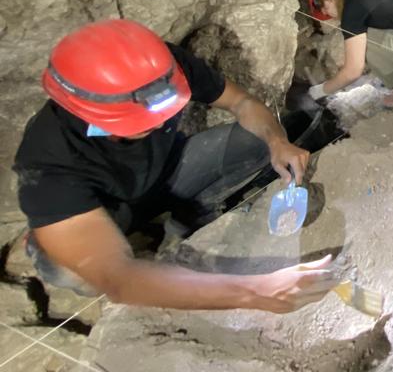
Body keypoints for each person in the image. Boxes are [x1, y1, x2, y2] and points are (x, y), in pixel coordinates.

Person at [13, 19, 339, 312]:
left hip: (165, 174)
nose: (161, 120)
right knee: (71, 269)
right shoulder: (46, 166)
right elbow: (120, 280)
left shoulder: (159, 69)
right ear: (96, 117)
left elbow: (242, 103)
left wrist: (277, 142)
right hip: (103, 214)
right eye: (144, 121)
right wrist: (254, 291)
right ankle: (128, 255)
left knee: (256, 139)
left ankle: (182, 229)